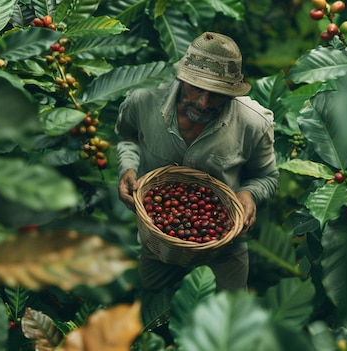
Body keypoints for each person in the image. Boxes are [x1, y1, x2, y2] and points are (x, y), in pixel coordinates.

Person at [115, 32, 279, 293]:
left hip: (225, 243)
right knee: (153, 312)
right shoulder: (143, 101)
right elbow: (128, 136)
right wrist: (128, 167)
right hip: (158, 243)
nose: (203, 103)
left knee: (228, 320)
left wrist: (249, 194)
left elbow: (266, 177)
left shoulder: (253, 123)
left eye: (216, 95)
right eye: (196, 89)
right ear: (182, 79)